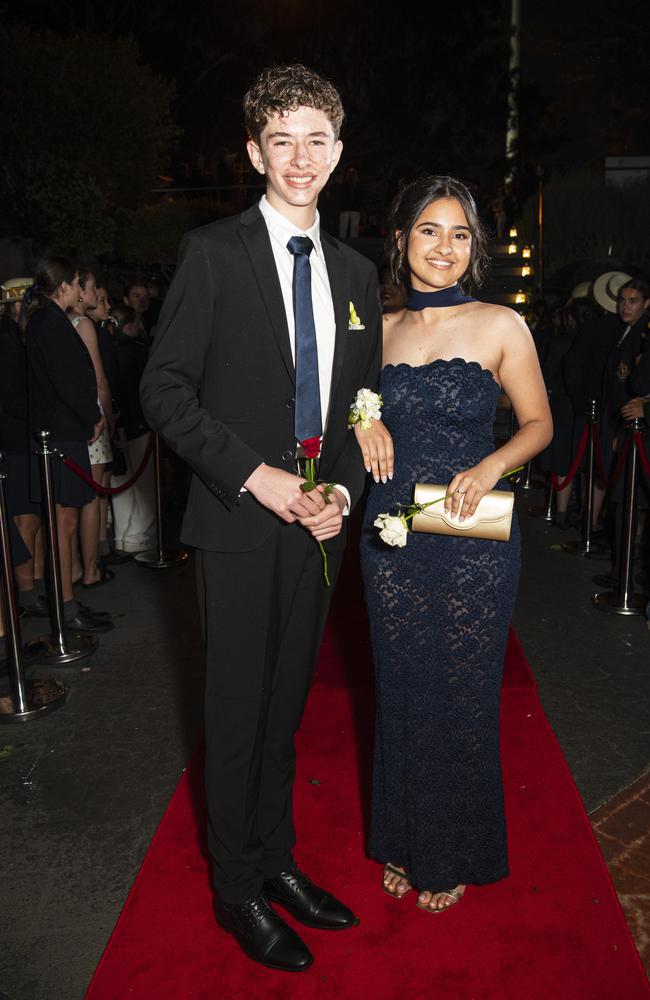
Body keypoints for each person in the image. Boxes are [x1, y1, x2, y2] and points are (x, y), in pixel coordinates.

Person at [140, 64, 381, 972]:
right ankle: (234, 885)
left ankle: (275, 861)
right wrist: (258, 477)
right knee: (237, 711)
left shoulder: (358, 270)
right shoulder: (213, 252)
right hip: (240, 520)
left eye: (317, 139)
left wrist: (342, 495)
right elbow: (161, 387)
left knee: (283, 710)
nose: (301, 157)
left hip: (319, 524)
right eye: (283, 139)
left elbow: (361, 403)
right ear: (254, 151)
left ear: (339, 152)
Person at [355, 175, 552, 913]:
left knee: (463, 694)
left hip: (473, 535)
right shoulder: (377, 326)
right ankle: (407, 841)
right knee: (402, 689)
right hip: (393, 532)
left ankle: (455, 848)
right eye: (429, 231)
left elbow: (539, 424)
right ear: (401, 238)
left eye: (460, 234)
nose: (444, 247)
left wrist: (492, 463)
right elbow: (341, 397)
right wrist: (359, 420)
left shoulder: (502, 324)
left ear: (476, 248)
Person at [23, 257, 113, 633]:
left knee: (67, 521)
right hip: (60, 434)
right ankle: (65, 608)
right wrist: (89, 418)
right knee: (64, 522)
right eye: (77, 284)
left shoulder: (49, 320)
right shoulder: (50, 322)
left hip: (64, 431)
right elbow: (66, 380)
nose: (80, 292)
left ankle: (68, 604)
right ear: (62, 286)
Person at [68, 268, 116, 588]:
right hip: (92, 417)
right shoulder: (84, 324)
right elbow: (98, 377)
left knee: (71, 499)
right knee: (91, 496)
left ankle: (73, 567)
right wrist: (110, 412)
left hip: (72, 416)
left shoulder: (60, 321)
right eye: (92, 287)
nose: (97, 292)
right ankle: (91, 570)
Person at [109, 304, 156, 554]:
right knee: (144, 483)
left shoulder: (108, 349)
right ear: (128, 325)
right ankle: (138, 536)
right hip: (137, 423)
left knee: (122, 484)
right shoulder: (137, 353)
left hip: (118, 424)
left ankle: (121, 537)